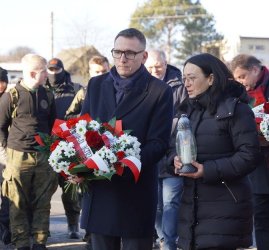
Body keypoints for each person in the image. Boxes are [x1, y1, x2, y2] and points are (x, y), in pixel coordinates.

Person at [80, 28, 173, 250]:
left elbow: (159, 143)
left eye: (130, 53)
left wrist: (120, 163)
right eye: (118, 52)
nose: (123, 58)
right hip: (100, 189)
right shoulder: (96, 84)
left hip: (135, 191)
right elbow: (81, 130)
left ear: (144, 56)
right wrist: (79, 166)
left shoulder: (159, 91)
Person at [169, 53, 260, 250]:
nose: (187, 84)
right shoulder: (188, 110)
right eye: (184, 78)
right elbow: (171, 147)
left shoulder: (235, 110)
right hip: (192, 209)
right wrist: (174, 161)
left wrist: (207, 170)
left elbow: (249, 156)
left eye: (192, 78)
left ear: (211, 79)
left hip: (226, 207)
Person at [230, 54, 269, 250]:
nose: (241, 82)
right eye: (237, 78)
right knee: (261, 216)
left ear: (255, 70)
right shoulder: (239, 94)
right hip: (257, 164)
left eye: (242, 76)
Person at [0, 54, 58, 250]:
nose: (47, 76)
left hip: (43, 156)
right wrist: (5, 154)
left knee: (43, 202)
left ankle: (40, 242)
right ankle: (21, 243)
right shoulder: (11, 96)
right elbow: (0, 126)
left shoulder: (48, 96)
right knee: (17, 204)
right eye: (44, 72)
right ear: (34, 73)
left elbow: (53, 126)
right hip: (17, 156)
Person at [145, 49, 187, 250]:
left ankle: (169, 243)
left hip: (173, 152)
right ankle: (163, 238)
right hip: (151, 155)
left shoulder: (179, 86)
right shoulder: (142, 84)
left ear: (166, 62)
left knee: (171, 203)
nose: (154, 70)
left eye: (158, 66)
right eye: (150, 67)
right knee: (155, 205)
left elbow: (185, 116)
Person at [45, 58, 82, 239]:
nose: (53, 72)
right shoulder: (41, 89)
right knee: (44, 189)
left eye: (56, 69)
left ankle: (73, 224)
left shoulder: (75, 89)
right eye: (50, 69)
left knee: (70, 189)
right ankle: (42, 227)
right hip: (46, 144)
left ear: (62, 69)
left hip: (69, 145)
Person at [65, 55, 110, 119]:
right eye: (97, 72)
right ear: (90, 72)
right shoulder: (83, 93)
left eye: (104, 71)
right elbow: (68, 116)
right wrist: (83, 116)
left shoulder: (117, 90)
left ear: (109, 70)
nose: (101, 75)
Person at [0, 67, 11, 246]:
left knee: (7, 190)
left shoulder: (9, 98)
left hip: (4, 149)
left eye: (3, 81)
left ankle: (5, 228)